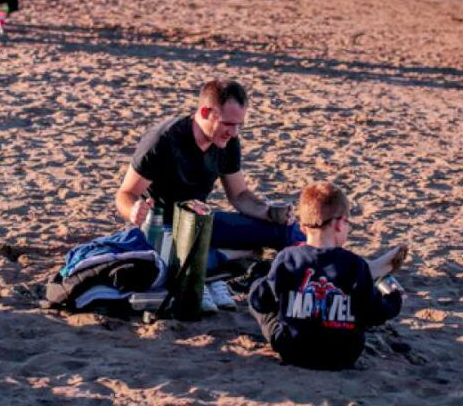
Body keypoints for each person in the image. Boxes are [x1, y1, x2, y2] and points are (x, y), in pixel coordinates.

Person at [115, 80, 304, 272]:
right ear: (205, 112)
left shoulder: (227, 140)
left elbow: (239, 195)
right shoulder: (163, 141)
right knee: (183, 267)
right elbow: (125, 193)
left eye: (239, 125)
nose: (234, 132)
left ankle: (324, 268)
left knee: (286, 231)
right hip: (161, 229)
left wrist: (269, 212)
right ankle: (231, 254)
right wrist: (133, 209)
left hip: (200, 224)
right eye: (228, 124)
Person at [248, 182, 404, 370]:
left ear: (303, 228)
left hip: (293, 350)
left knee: (261, 298)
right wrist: (394, 297)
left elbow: (260, 301)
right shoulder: (355, 264)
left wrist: (260, 283)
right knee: (359, 308)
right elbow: (376, 313)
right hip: (344, 355)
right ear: (339, 224)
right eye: (348, 224)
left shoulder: (287, 258)